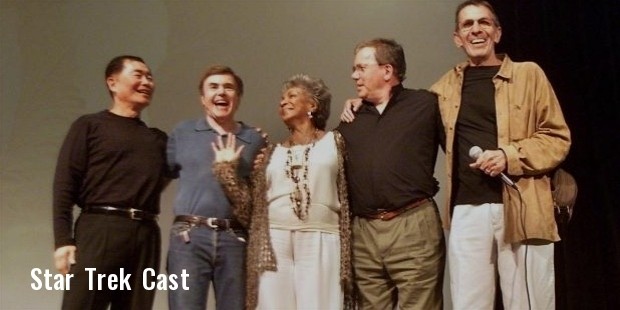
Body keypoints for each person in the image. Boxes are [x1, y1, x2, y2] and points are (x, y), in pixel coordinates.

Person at [429, 1, 571, 309]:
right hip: (466, 210)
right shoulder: (443, 88)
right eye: (467, 25)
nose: (476, 29)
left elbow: (558, 138)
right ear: (457, 37)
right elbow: (406, 115)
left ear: (497, 32)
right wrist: (362, 103)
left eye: (484, 23)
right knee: (468, 303)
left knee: (529, 304)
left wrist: (510, 156)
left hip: (523, 207)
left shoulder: (528, 74)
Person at [212, 74, 354, 309]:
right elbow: (250, 210)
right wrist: (227, 172)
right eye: (281, 98)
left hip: (321, 237)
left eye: (292, 95)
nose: (283, 101)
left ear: (312, 105)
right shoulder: (269, 153)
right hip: (274, 241)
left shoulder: (336, 142)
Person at [336, 38, 445, 309]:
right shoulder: (351, 119)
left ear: (387, 71)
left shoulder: (425, 104)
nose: (354, 75)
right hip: (364, 233)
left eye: (361, 68)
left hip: (412, 224)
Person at [53, 55, 167, 309]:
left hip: (146, 234)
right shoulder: (89, 126)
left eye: (150, 76)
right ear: (112, 82)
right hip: (100, 228)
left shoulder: (158, 139)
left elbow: (181, 169)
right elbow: (64, 185)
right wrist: (63, 241)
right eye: (138, 75)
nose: (147, 81)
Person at [166, 65, 266, 310]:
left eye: (228, 87)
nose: (221, 92)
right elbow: (159, 174)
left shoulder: (255, 139)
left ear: (238, 97)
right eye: (214, 87)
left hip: (234, 239)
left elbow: (259, 195)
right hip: (189, 237)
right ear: (203, 98)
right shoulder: (183, 132)